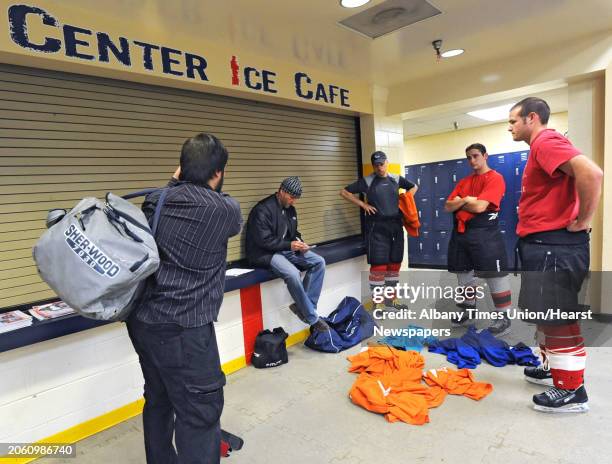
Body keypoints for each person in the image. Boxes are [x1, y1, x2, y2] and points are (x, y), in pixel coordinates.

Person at [126, 133, 242, 463]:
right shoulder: (225, 209)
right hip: (186, 330)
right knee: (199, 414)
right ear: (217, 173)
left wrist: (175, 180)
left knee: (159, 400)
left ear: (180, 167)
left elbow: (167, 194)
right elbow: (228, 214)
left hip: (144, 324)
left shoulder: (155, 200)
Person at [509, 97, 603, 413]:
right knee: (548, 318)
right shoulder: (542, 146)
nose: (510, 127)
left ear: (531, 118)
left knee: (559, 320)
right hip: (545, 246)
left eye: (513, 121)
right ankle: (554, 368)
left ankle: (572, 390)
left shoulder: (546, 141)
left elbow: (592, 174)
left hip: (555, 247)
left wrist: (584, 220)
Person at [444, 143, 513, 336]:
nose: (472, 160)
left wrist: (463, 201)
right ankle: (468, 311)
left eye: (475, 156)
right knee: (464, 274)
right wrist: (468, 199)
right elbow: (448, 206)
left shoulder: (495, 178)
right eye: (469, 157)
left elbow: (480, 207)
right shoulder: (464, 181)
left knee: (495, 276)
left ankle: (504, 318)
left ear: (485, 156)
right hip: (461, 235)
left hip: (486, 235)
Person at [245, 176, 329, 332]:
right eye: (292, 197)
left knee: (319, 262)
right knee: (293, 273)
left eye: (296, 199)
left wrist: (300, 243)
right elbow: (264, 241)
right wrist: (290, 245)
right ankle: (312, 318)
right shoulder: (262, 210)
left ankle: (303, 306)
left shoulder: (290, 209)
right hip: (265, 253)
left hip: (285, 248)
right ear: (282, 191)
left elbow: (294, 232)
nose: (293, 201)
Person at [340, 151, 417, 310]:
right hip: (377, 229)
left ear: (387, 162)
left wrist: (405, 200)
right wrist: (363, 204)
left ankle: (391, 299)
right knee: (379, 267)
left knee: (394, 265)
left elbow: (414, 187)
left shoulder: (395, 178)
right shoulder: (368, 181)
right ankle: (378, 302)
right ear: (373, 166)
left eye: (382, 164)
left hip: (395, 227)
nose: (379, 167)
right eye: (376, 165)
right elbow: (344, 192)